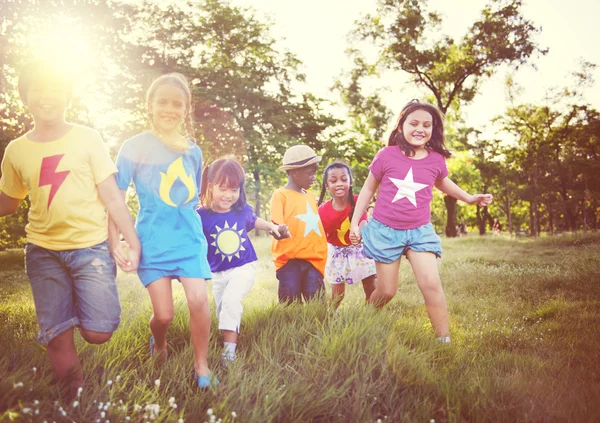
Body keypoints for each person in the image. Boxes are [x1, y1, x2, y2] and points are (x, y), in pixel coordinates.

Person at [0, 60, 140, 395]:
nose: (46, 96)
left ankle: (78, 303)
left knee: (98, 332)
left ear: (67, 95)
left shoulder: (87, 138)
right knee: (57, 336)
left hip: (90, 249)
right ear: (24, 96)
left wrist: (130, 241)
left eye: (54, 89)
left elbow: (112, 197)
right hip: (42, 252)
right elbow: (8, 202)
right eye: (37, 89)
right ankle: (75, 399)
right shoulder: (16, 150)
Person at [349, 99, 493, 343]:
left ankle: (443, 341)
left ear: (433, 130)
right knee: (386, 291)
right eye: (413, 123)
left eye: (427, 125)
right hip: (386, 230)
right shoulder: (386, 155)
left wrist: (469, 198)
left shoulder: (435, 159)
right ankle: (364, 320)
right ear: (401, 126)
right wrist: (355, 222)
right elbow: (367, 190)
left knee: (431, 284)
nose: (420, 129)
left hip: (419, 231)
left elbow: (443, 182)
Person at [108, 73, 217, 388]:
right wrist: (116, 241)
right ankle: (160, 341)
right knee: (164, 315)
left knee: (198, 299)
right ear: (151, 106)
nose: (169, 109)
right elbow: (115, 196)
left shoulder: (193, 151)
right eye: (163, 102)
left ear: (185, 109)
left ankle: (202, 367)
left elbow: (191, 197)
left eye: (177, 104)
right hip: (152, 240)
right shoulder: (133, 147)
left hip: (187, 238)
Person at [197, 157, 290, 363]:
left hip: (243, 266)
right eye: (223, 188)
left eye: (234, 189)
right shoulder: (201, 216)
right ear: (210, 186)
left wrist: (273, 227)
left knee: (231, 301)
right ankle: (224, 338)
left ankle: (229, 353)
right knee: (221, 308)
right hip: (218, 271)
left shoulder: (241, 210)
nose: (229, 195)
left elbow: (256, 221)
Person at [270, 145, 328, 304]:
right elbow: (276, 225)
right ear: (295, 172)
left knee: (317, 305)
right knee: (290, 305)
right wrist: (278, 230)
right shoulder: (280, 195)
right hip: (290, 262)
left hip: (313, 260)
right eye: (310, 173)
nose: (314, 177)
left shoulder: (310, 196)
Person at [317, 162, 376, 309]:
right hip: (337, 253)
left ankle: (371, 315)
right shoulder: (322, 211)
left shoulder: (357, 201)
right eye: (333, 180)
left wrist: (359, 232)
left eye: (344, 179)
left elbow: (363, 219)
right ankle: (331, 315)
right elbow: (321, 235)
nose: (339, 184)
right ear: (326, 185)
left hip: (359, 250)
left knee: (370, 287)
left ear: (350, 183)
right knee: (338, 294)